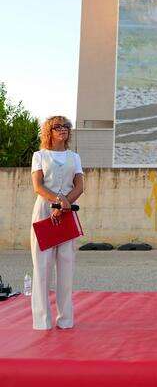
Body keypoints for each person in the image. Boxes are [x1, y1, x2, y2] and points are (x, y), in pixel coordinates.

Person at [30, 116, 84, 330]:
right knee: (42, 266)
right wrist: (56, 202)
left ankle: (66, 319)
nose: (63, 130)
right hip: (44, 211)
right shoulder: (39, 155)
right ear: (49, 131)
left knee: (66, 265)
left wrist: (64, 205)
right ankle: (42, 321)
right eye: (57, 127)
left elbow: (79, 186)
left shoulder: (74, 157)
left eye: (65, 126)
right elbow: (38, 186)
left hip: (67, 212)